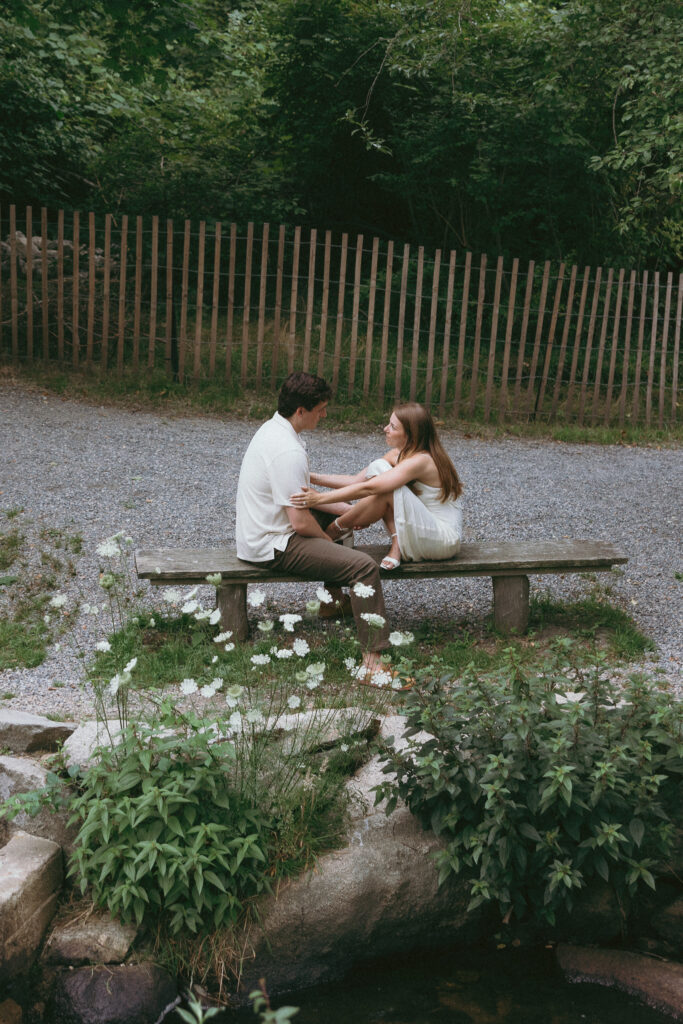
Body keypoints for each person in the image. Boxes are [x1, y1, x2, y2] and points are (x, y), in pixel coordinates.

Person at [235, 371, 390, 676]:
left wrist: (351, 512)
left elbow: (307, 499)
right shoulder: (287, 450)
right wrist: (328, 541)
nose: (325, 414)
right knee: (363, 567)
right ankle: (373, 663)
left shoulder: (275, 429)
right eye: (320, 409)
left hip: (270, 527)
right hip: (272, 543)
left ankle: (333, 602)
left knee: (341, 519)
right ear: (301, 411)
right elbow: (301, 521)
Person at [290, 403, 463, 570]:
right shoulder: (399, 454)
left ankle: (334, 530)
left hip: (441, 539)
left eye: (393, 427)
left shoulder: (422, 460)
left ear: (411, 435)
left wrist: (318, 499)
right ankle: (354, 529)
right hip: (419, 530)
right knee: (380, 469)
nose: (385, 429)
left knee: (383, 482)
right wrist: (307, 475)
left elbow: (370, 488)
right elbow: (356, 482)